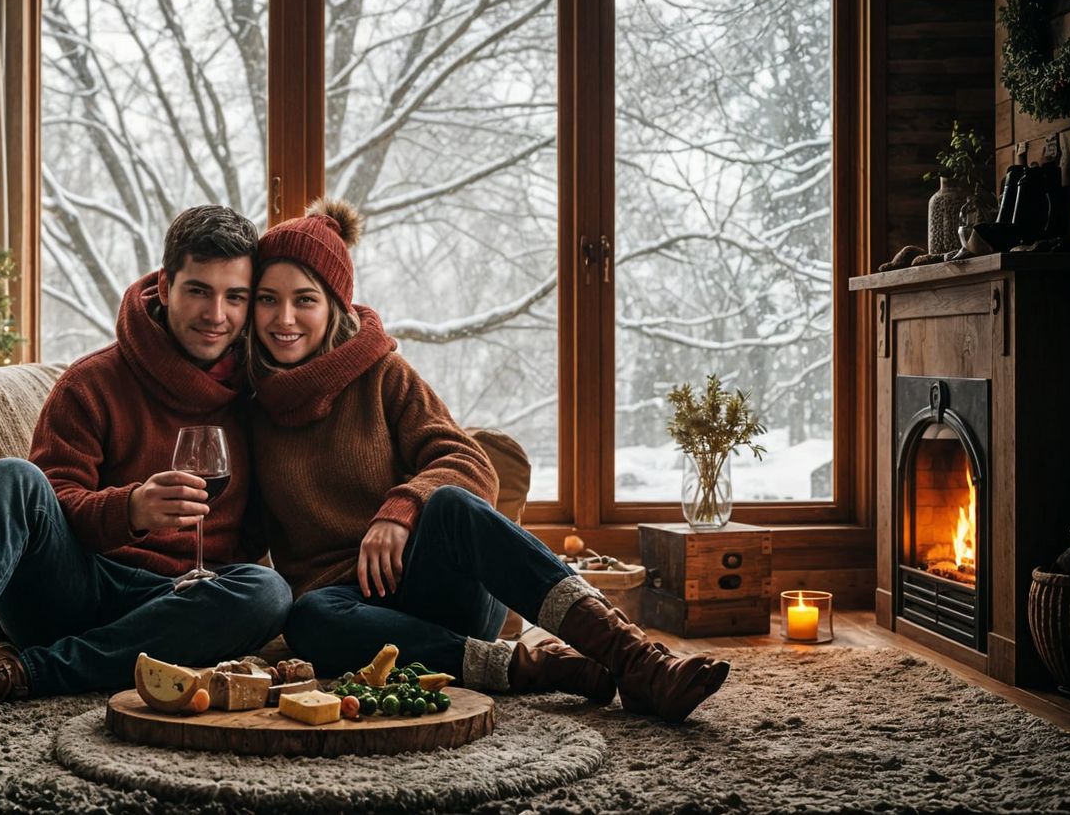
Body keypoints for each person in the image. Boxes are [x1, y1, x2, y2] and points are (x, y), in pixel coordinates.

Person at [246, 198, 728, 722]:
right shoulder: (247, 403)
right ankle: (532, 666)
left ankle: (639, 661)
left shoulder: (383, 374)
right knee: (310, 619)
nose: (284, 318)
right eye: (268, 299)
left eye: (305, 300)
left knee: (451, 503)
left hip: (436, 586)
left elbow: (470, 461)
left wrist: (401, 509)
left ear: (334, 305)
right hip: (350, 615)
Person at [0, 205, 292, 740]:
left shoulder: (261, 398)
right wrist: (129, 509)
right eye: (198, 290)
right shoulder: (92, 382)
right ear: (167, 284)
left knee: (267, 592)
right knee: (11, 475)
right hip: (75, 588)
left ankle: (13, 673)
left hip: (173, 608)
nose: (215, 313)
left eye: (235, 297)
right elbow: (50, 499)